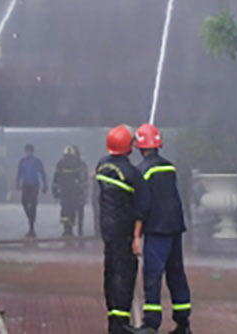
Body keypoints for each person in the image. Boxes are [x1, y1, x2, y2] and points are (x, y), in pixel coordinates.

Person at [134, 124, 191, 333]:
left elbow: (142, 204)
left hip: (157, 230)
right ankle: (183, 323)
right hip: (175, 227)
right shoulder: (169, 167)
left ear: (140, 146)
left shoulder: (142, 171)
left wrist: (135, 234)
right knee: (176, 274)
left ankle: (151, 324)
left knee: (153, 275)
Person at [95, 125, 144, 334]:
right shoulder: (132, 173)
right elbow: (142, 207)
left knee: (110, 273)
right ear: (128, 146)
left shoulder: (101, 166)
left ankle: (114, 321)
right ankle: (121, 325)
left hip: (107, 230)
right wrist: (136, 237)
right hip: (124, 232)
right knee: (124, 276)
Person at [53, 143, 89, 243]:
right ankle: (69, 229)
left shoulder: (75, 164)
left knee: (70, 210)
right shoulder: (76, 164)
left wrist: (55, 190)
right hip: (71, 192)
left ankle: (70, 229)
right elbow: (57, 178)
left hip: (72, 192)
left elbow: (83, 178)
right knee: (68, 211)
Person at [16, 143, 47, 238]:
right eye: (27, 151)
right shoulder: (22, 161)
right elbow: (19, 173)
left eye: (29, 151)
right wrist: (17, 183)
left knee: (33, 205)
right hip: (26, 185)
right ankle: (30, 219)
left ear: (32, 151)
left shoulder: (37, 161)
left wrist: (45, 185)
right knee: (24, 203)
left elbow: (42, 173)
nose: (28, 152)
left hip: (34, 185)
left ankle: (31, 227)